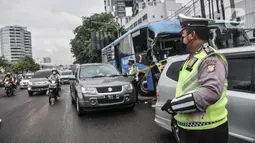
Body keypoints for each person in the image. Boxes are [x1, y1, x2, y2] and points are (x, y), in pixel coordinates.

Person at [161, 14, 229, 143]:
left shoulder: (210, 58)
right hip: (190, 130)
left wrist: (175, 105)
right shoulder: (192, 58)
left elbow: (211, 92)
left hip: (207, 131)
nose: (181, 39)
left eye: (183, 34)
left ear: (192, 35)